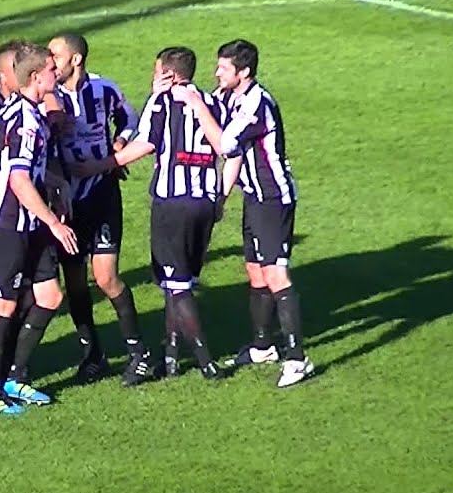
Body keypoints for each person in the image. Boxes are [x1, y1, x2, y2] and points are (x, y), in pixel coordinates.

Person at [81, 47, 234, 384]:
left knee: (177, 287)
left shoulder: (161, 102)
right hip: (206, 202)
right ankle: (171, 357)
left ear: (169, 74)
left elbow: (145, 144)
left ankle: (206, 360)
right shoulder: (215, 101)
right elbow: (228, 147)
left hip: (172, 204)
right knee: (176, 282)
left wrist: (98, 166)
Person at [191, 39, 315, 388]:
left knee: (276, 275)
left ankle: (297, 358)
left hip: (273, 198)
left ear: (243, 72)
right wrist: (221, 197)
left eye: (223, 68)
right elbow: (234, 155)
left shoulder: (256, 104)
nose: (216, 73)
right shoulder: (231, 97)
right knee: (255, 272)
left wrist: (196, 104)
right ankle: (263, 347)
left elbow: (226, 145)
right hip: (254, 197)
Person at [0, 42, 79, 415]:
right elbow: (18, 179)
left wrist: (57, 186)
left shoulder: (26, 111)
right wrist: (52, 221)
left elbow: (29, 169)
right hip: (5, 225)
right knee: (2, 306)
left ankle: (16, 376)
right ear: (37, 77)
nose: (58, 73)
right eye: (52, 69)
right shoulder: (26, 121)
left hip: (29, 223)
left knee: (49, 297)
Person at [47, 33, 148, 382]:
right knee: (74, 281)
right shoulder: (48, 96)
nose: (50, 62)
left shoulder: (105, 89)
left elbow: (132, 120)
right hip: (67, 201)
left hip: (103, 194)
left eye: (55, 55)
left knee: (106, 278)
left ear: (75, 59)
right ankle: (92, 355)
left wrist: (116, 147)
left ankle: (139, 352)